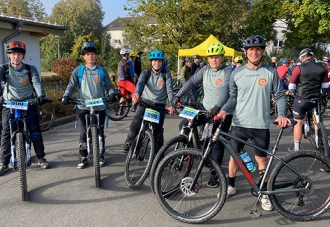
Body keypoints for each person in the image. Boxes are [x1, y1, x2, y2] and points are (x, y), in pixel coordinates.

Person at [217, 35, 289, 211]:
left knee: (261, 160)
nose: (254, 53)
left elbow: (279, 95)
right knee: (235, 156)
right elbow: (233, 98)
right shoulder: (237, 73)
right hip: (239, 124)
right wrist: (224, 110)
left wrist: (281, 115)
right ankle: (231, 185)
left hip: (260, 125)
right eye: (251, 50)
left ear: (262, 52)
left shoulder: (270, 72)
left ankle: (264, 192)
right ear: (246, 52)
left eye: (258, 50)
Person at [172, 43, 233, 187]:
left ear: (222, 58)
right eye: (211, 57)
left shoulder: (228, 71)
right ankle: (193, 150)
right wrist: (178, 95)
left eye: (216, 57)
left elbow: (225, 88)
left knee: (216, 142)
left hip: (222, 111)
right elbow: (192, 82)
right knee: (184, 124)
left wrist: (218, 106)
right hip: (204, 107)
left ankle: (214, 174)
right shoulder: (205, 69)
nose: (214, 60)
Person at [61, 41, 117, 169]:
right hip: (83, 106)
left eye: (92, 54)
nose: (90, 56)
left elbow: (109, 86)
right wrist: (66, 96)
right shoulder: (78, 71)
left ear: (96, 56)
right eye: (87, 54)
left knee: (100, 132)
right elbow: (71, 85)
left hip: (99, 106)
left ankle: (101, 155)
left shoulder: (102, 71)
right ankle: (83, 156)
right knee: (82, 133)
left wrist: (112, 93)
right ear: (83, 57)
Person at [0, 41, 50, 176]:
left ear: (23, 56)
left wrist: (41, 95)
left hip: (29, 103)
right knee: (5, 132)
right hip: (9, 104)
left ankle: (40, 157)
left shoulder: (30, 69)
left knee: (35, 131)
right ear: (8, 55)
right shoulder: (3, 69)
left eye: (19, 54)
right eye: (13, 54)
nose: (16, 57)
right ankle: (4, 162)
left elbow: (36, 83)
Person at [121, 50, 176, 154]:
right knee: (136, 122)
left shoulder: (166, 75)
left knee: (158, 131)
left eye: (159, 61)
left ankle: (158, 155)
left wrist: (171, 105)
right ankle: (129, 142)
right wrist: (137, 93)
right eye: (155, 61)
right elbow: (140, 83)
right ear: (151, 62)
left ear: (162, 62)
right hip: (145, 102)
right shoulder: (146, 72)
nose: (157, 63)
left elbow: (169, 90)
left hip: (159, 105)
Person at [288, 48, 329, 152]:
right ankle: (320, 138)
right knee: (317, 119)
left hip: (302, 99)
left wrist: (292, 92)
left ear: (302, 58)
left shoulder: (298, 68)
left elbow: (291, 86)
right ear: (313, 57)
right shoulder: (323, 68)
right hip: (316, 98)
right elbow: (325, 85)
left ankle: (296, 149)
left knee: (297, 122)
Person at [117, 48, 136, 114]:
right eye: (128, 54)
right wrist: (131, 81)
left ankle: (120, 110)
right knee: (135, 91)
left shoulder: (120, 62)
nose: (129, 56)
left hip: (119, 81)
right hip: (124, 81)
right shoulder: (125, 63)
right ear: (126, 55)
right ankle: (134, 106)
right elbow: (127, 73)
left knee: (124, 96)